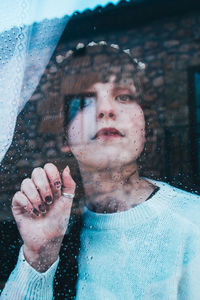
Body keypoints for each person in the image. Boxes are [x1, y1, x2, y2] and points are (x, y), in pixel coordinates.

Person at [1, 43, 200, 300]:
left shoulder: (192, 221)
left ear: (145, 125)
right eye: (84, 100)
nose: (106, 110)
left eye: (124, 96)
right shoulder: (61, 229)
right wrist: (40, 256)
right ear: (65, 134)